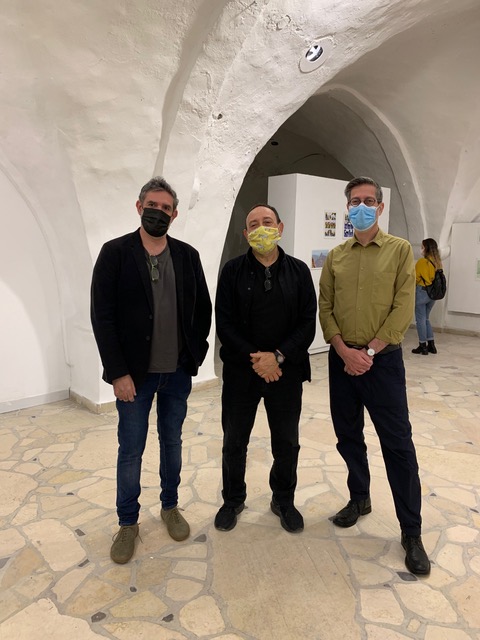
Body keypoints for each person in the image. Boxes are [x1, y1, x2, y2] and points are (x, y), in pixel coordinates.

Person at [91, 176, 212, 564]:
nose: (158, 213)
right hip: (134, 376)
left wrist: (194, 354)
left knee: (172, 441)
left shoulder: (187, 256)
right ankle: (128, 522)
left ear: (174, 215)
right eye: (152, 205)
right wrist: (117, 372)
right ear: (139, 206)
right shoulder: (115, 253)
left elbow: (202, 309)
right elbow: (103, 316)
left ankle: (170, 505)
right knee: (131, 449)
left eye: (166, 208)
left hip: (176, 372)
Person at [319, 176, 430, 575]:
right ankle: (359, 497)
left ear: (380, 208)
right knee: (348, 436)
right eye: (355, 201)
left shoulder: (400, 251)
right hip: (342, 360)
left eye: (369, 200)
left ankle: (411, 532)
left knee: (397, 445)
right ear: (347, 208)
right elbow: (325, 306)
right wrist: (343, 350)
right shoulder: (336, 256)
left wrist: (367, 353)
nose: (361, 206)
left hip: (381, 362)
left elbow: (403, 306)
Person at [214, 204, 316, 533]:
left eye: (267, 222)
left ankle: (283, 500)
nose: (261, 229)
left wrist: (278, 356)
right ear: (246, 234)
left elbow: (307, 323)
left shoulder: (299, 271)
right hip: (241, 373)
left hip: (286, 373)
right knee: (234, 441)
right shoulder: (232, 271)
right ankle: (233, 499)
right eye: (254, 224)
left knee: (286, 442)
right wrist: (258, 359)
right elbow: (224, 323)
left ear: (280, 227)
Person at [412, 238, 442, 355]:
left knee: (420, 320)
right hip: (433, 294)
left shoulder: (422, 262)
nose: (421, 249)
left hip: (422, 291)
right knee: (426, 319)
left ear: (426, 248)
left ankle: (422, 346)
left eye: (422, 247)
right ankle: (431, 345)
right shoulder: (438, 262)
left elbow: (415, 278)